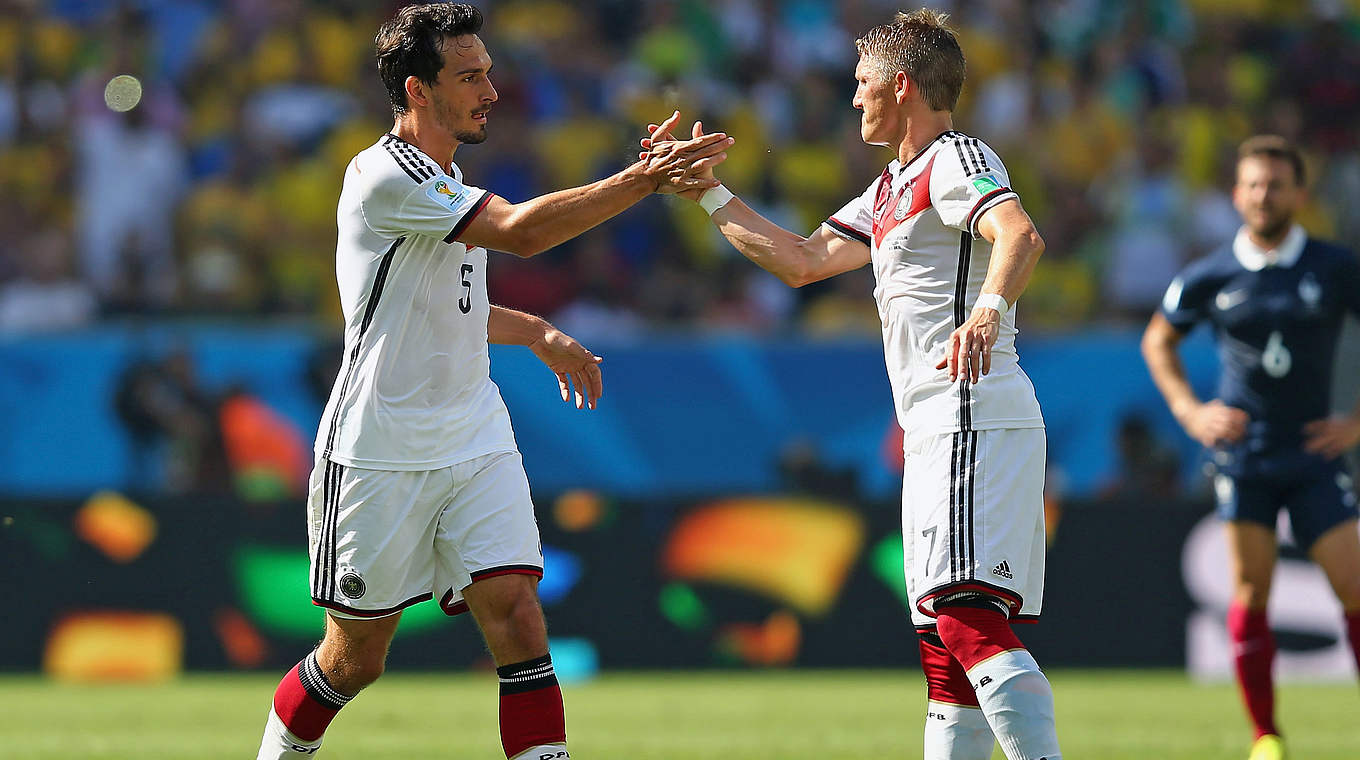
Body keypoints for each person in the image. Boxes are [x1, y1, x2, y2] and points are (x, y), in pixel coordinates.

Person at [255, 4, 730, 759]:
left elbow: (455, 306)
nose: (491, 90)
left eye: (488, 71)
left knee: (516, 614)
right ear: (418, 90)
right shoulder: (384, 175)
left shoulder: (447, 178)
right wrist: (642, 181)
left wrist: (535, 331)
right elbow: (523, 234)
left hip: (473, 431)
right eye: (469, 75)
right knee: (355, 659)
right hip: (381, 445)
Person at [644, 10, 1059, 760]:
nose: (853, 96)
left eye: (863, 82)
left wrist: (988, 311)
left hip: (971, 411)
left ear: (901, 86)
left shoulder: (955, 158)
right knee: (943, 648)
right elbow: (803, 261)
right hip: (938, 426)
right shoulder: (892, 186)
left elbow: (1019, 233)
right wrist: (707, 193)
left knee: (965, 622)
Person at [1141, 135, 1360, 760]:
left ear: (1299, 193)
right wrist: (1189, 410)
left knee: (1354, 588)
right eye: (1254, 185)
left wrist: (1356, 422)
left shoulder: (1334, 266)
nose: (1264, 195)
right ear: (1238, 195)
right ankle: (1266, 734)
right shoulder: (1211, 273)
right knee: (1252, 592)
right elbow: (1159, 341)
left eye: (1276, 184)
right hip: (1245, 457)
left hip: (1315, 452)